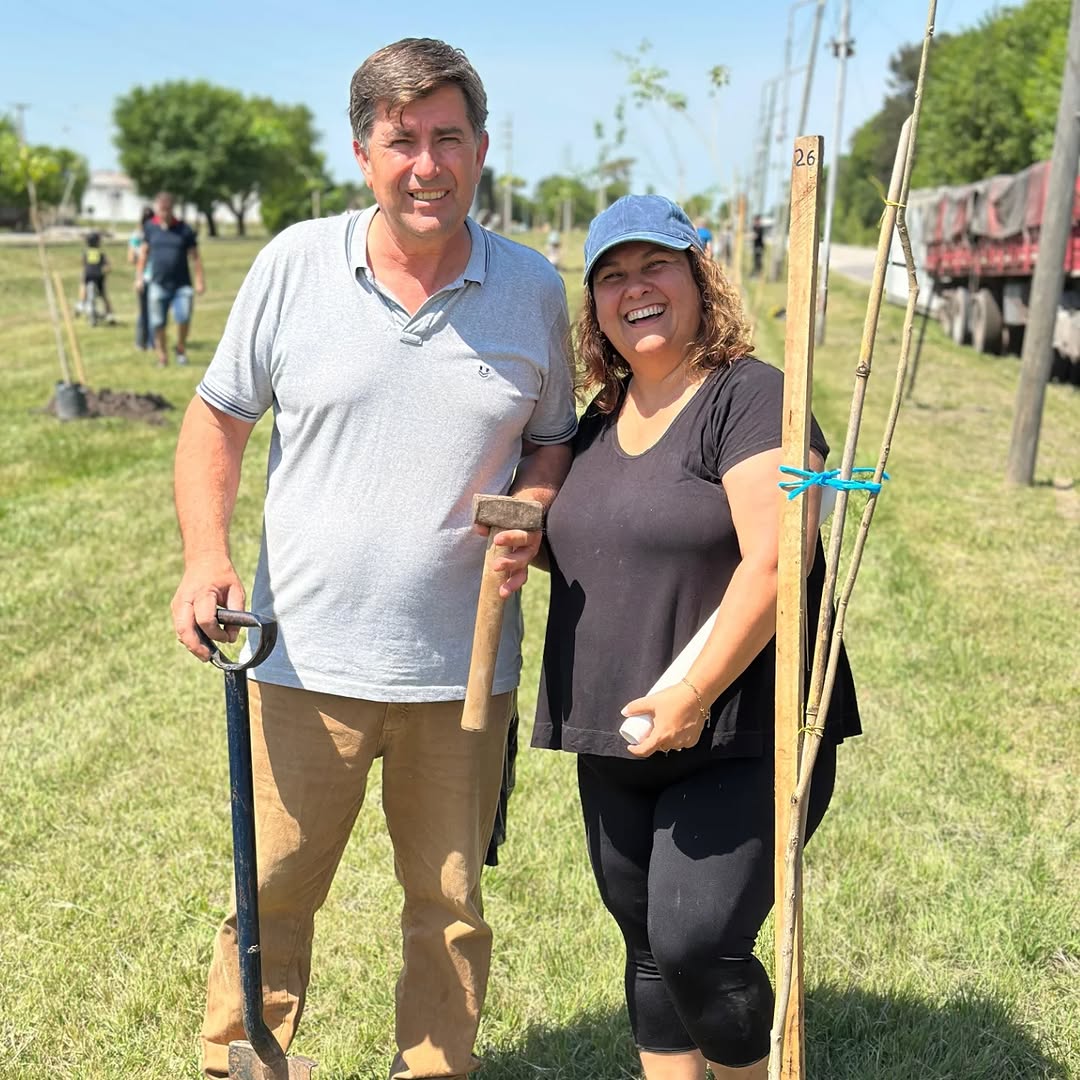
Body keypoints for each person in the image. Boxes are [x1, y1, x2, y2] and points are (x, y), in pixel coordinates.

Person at [170, 37, 576, 1080]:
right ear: (364, 154)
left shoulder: (531, 289)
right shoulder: (296, 266)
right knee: (273, 890)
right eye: (403, 142)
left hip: (463, 676)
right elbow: (216, 420)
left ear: (483, 150)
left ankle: (434, 1067)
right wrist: (204, 556)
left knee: (448, 905)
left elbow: (553, 436)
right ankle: (243, 1061)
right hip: (300, 662)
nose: (426, 165)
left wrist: (531, 505)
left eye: (449, 138)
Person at [532, 195, 860, 1080]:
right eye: (612, 277)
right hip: (616, 727)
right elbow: (599, 546)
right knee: (644, 941)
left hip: (741, 724)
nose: (634, 290)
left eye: (656, 267)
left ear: (699, 279)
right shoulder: (595, 424)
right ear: (594, 304)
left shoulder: (754, 400)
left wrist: (690, 692)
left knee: (698, 941)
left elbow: (777, 562)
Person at [136, 191, 205, 366]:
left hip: (182, 285)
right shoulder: (150, 228)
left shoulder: (184, 229)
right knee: (158, 322)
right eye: (161, 209)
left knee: (183, 318)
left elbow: (195, 257)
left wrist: (199, 280)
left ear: (172, 209)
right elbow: (144, 253)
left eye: (167, 209)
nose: (164, 213)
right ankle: (162, 356)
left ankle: (180, 348)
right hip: (158, 283)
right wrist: (139, 277)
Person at [128, 206, 154, 350]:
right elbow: (131, 258)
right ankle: (141, 342)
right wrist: (142, 255)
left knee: (154, 312)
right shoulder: (137, 235)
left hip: (155, 277)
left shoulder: (157, 233)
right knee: (144, 312)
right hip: (142, 277)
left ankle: (152, 343)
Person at [77, 232, 116, 323]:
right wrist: (107, 270)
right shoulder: (101, 253)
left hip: (88, 275)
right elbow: (107, 265)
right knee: (104, 295)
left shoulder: (86, 253)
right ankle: (109, 314)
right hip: (99, 275)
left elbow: (83, 264)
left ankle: (81, 303)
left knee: (83, 284)